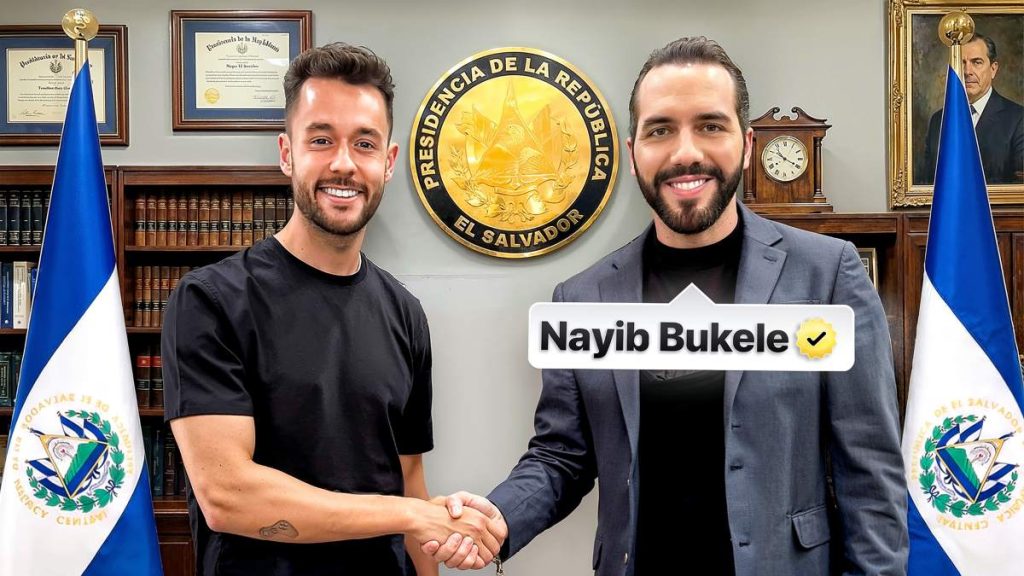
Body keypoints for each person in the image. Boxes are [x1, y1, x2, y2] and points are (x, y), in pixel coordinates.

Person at [426, 37, 908, 575]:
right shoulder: (582, 300)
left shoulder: (828, 274)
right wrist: (499, 516)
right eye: (660, 130)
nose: (685, 153)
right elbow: (562, 455)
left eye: (710, 125)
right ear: (633, 153)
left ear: (747, 145)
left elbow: (870, 470)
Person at [162, 43, 502, 576]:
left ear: (388, 162)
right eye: (321, 140)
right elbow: (228, 495)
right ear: (286, 153)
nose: (343, 163)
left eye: (364, 143)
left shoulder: (405, 313)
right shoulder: (210, 301)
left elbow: (410, 480)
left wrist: (427, 525)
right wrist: (413, 515)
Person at [921, 33, 1024, 184]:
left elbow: (1019, 187)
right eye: (961, 63)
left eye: (977, 62)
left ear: (993, 69)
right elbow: (927, 183)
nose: (967, 71)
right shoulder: (938, 120)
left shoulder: (1019, 119)